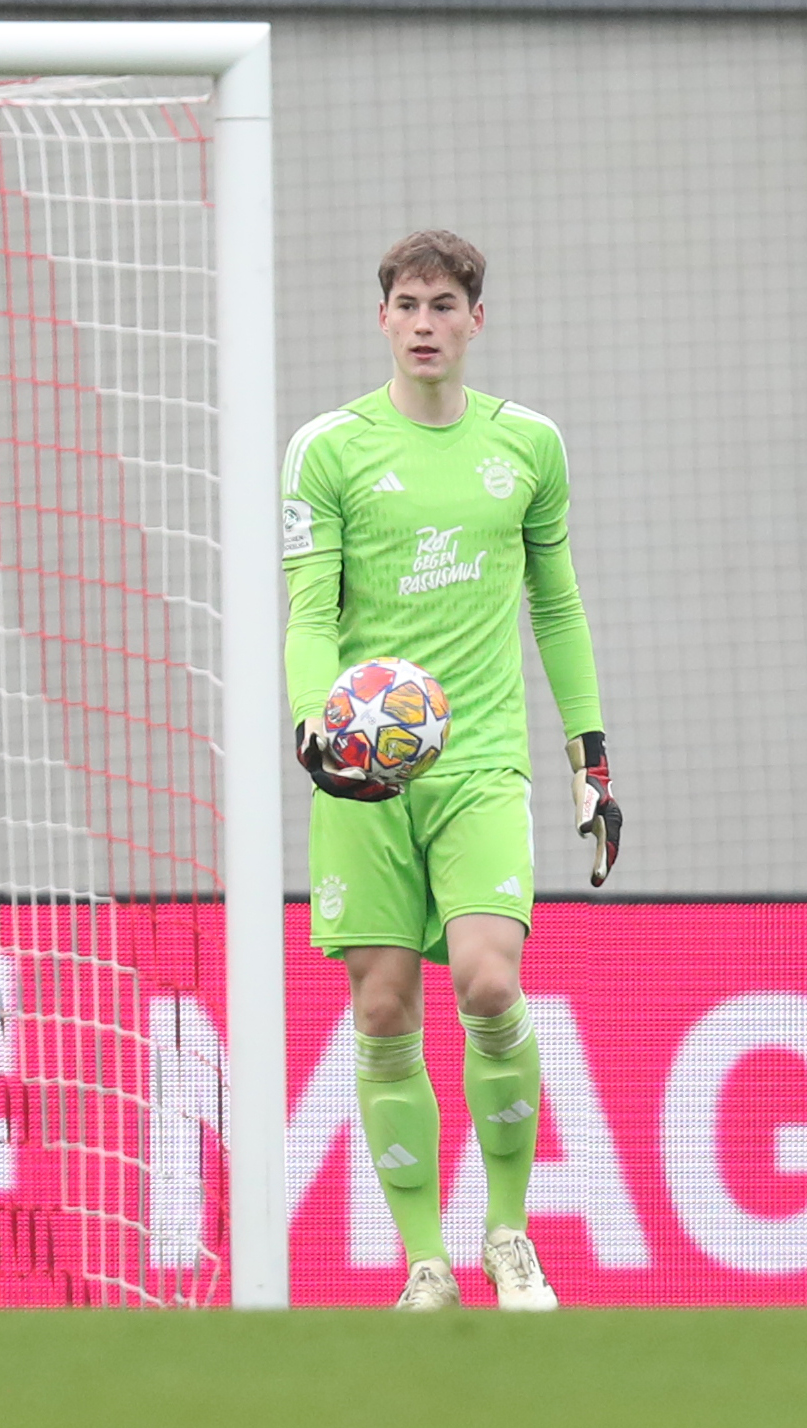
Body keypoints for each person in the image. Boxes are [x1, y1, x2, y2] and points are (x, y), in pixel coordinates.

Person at [282, 230, 620, 1311]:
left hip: (479, 764)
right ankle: (425, 1262)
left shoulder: (527, 447)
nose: (425, 323)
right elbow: (310, 617)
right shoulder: (329, 450)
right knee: (382, 1010)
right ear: (381, 320)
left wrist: (592, 756)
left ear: (478, 321)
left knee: (487, 979)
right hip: (364, 776)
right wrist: (315, 729)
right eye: (407, 305)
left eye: (444, 304)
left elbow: (556, 606)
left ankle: (509, 1238)